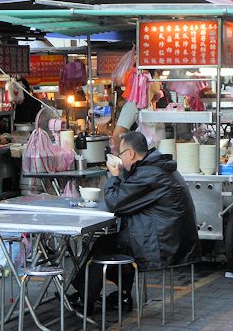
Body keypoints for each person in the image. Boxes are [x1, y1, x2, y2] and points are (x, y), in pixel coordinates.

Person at [70, 131, 202, 313]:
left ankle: (84, 300)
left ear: (131, 154)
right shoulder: (154, 168)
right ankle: (121, 295)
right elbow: (130, 194)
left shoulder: (150, 174)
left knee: (105, 246)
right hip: (169, 236)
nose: (120, 158)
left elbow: (114, 202)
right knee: (116, 241)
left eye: (120, 154)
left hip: (164, 244)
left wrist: (115, 176)